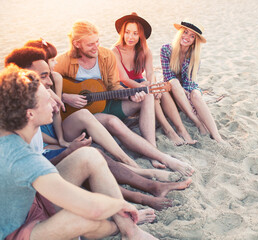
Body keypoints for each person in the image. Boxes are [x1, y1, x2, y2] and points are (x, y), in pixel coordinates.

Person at [4, 46, 193, 211]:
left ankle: (146, 171)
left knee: (99, 139)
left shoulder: (47, 86)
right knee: (91, 156)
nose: (50, 80)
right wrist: (66, 147)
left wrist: (63, 137)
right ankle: (141, 185)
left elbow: (54, 118)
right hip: (42, 168)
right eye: (44, 75)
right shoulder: (15, 112)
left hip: (53, 141)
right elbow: (35, 160)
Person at [0, 65, 158, 240]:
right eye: (48, 100)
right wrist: (120, 205)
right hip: (15, 233)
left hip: (30, 203)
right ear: (29, 114)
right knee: (78, 217)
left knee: (89, 155)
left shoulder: (10, 129)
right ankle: (120, 227)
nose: (55, 103)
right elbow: (92, 208)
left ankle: (130, 231)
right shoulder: (21, 157)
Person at [55, 20, 194, 176]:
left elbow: (114, 87)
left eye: (97, 42)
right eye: (90, 45)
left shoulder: (105, 55)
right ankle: (152, 157)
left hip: (107, 103)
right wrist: (65, 96)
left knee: (147, 95)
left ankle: (151, 149)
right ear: (77, 44)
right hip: (84, 115)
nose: (96, 48)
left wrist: (130, 95)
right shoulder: (63, 61)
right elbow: (44, 88)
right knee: (113, 122)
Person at [112, 12, 196, 146]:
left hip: (142, 84)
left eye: (135, 33)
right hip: (125, 90)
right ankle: (169, 130)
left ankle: (181, 130)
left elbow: (150, 73)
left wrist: (151, 84)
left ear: (141, 35)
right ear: (122, 32)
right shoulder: (115, 51)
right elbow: (125, 79)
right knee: (151, 91)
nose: (130, 37)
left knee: (160, 90)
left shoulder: (145, 50)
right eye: (127, 32)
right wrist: (147, 87)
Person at [160, 19, 224, 142]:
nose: (187, 37)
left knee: (196, 96)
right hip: (171, 89)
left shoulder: (194, 57)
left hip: (187, 89)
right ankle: (198, 122)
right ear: (180, 33)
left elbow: (190, 83)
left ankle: (217, 136)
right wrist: (181, 89)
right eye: (185, 32)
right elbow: (168, 76)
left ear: (195, 40)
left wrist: (188, 94)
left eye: (192, 36)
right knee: (174, 82)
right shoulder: (166, 50)